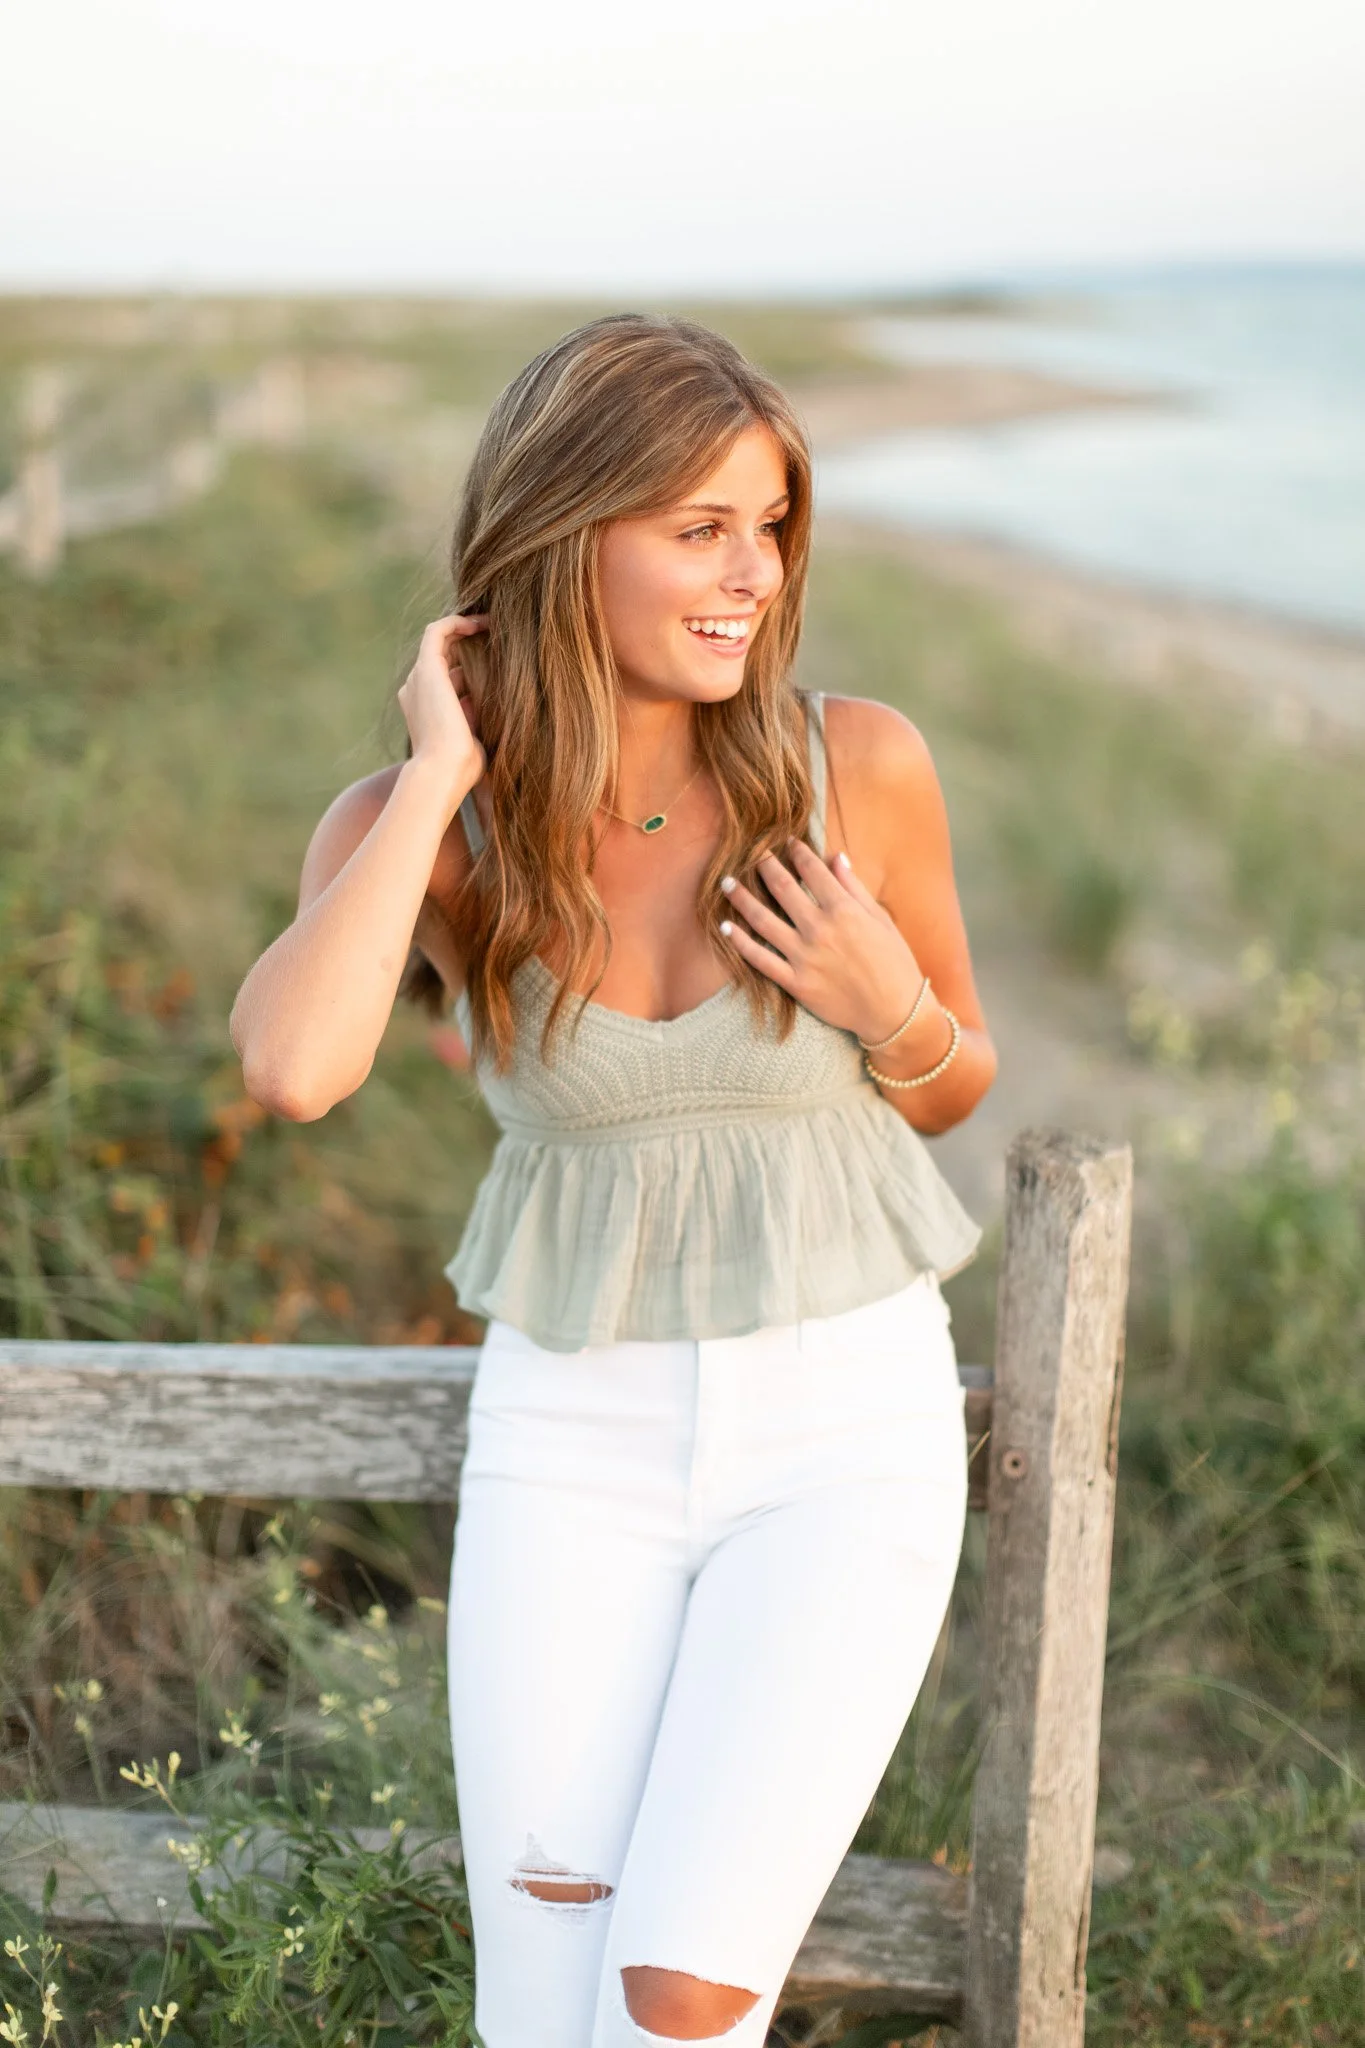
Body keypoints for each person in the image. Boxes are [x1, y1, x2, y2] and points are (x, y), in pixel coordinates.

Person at [230, 312, 997, 2048]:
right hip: (569, 1449)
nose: (754, 574)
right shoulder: (425, 830)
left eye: (770, 526)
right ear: (566, 535)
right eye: (700, 527)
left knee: (681, 2000)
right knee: (540, 2007)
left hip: (844, 1444)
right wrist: (440, 775)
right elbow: (291, 1070)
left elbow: (956, 1088)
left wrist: (889, 1003)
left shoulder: (857, 767)